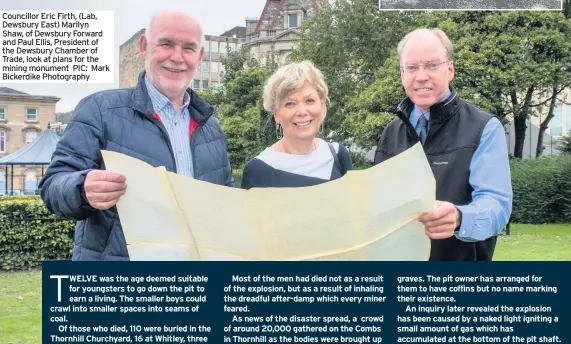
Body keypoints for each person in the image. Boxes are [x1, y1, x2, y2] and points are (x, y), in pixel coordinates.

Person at [39, 10, 234, 261]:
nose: (177, 57)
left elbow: (226, 200)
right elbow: (52, 187)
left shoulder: (212, 129)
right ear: (145, 47)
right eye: (166, 44)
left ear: (199, 56)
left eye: (188, 48)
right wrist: (82, 188)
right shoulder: (100, 110)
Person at [374, 28, 512, 261]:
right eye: (412, 68)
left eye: (431, 65)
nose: (421, 76)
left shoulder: (484, 127)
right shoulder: (390, 133)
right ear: (402, 74)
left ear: (450, 70)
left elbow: (497, 205)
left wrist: (459, 217)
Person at [241, 61, 352, 189]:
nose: (302, 112)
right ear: (276, 113)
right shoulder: (258, 170)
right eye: (290, 103)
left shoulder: (338, 156)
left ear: (322, 106)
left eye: (309, 101)